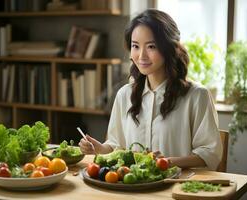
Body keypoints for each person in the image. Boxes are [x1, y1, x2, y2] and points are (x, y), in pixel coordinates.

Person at [79, 9, 222, 170]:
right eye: (135, 46)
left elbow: (210, 153)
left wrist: (167, 162)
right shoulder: (124, 95)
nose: (141, 56)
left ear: (169, 48)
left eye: (151, 46)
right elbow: (116, 146)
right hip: (132, 187)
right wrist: (99, 149)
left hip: (176, 188)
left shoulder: (197, 96)